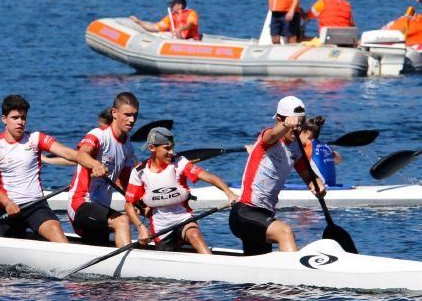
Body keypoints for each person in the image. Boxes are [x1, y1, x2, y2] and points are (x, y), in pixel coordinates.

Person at [0, 95, 107, 242]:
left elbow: (69, 153)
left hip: (36, 206)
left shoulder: (35, 138)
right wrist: (6, 202)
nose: (20, 122)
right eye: (15, 117)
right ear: (4, 119)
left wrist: (94, 164)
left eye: (23, 117)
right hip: (10, 208)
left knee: (57, 234)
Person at [229, 96, 326, 255]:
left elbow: (309, 177)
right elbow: (273, 134)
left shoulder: (296, 149)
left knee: (259, 270)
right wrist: (286, 124)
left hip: (264, 216)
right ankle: (295, 278)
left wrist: (317, 185)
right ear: (280, 119)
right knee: (285, 232)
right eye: (294, 123)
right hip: (245, 213)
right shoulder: (267, 139)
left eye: (301, 123)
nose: (297, 128)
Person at [124, 127, 237, 255]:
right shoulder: (139, 172)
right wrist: (140, 227)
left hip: (184, 219)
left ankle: (212, 265)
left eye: (173, 147)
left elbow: (208, 176)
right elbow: (128, 204)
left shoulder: (180, 163)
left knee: (194, 235)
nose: (172, 152)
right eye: (167, 148)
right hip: (161, 228)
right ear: (152, 148)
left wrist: (229, 193)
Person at [68, 92, 148, 248]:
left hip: (101, 209)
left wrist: (142, 203)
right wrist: (95, 165)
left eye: (135, 115)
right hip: (81, 203)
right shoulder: (99, 135)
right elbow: (81, 154)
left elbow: (127, 185)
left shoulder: (128, 148)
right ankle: (130, 268)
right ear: (114, 113)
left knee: (101, 246)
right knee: (122, 220)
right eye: (127, 115)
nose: (132, 120)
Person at [130, 0, 200, 40]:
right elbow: (154, 27)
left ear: (180, 5)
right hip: (178, 42)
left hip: (191, 41)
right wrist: (138, 22)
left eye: (173, 4)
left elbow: (191, 24)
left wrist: (180, 28)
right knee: (162, 35)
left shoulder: (191, 13)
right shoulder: (171, 17)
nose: (171, 7)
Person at [300, 116, 343, 187]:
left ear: (307, 134)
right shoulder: (327, 147)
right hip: (333, 186)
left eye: (298, 133)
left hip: (321, 188)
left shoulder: (306, 149)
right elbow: (339, 160)